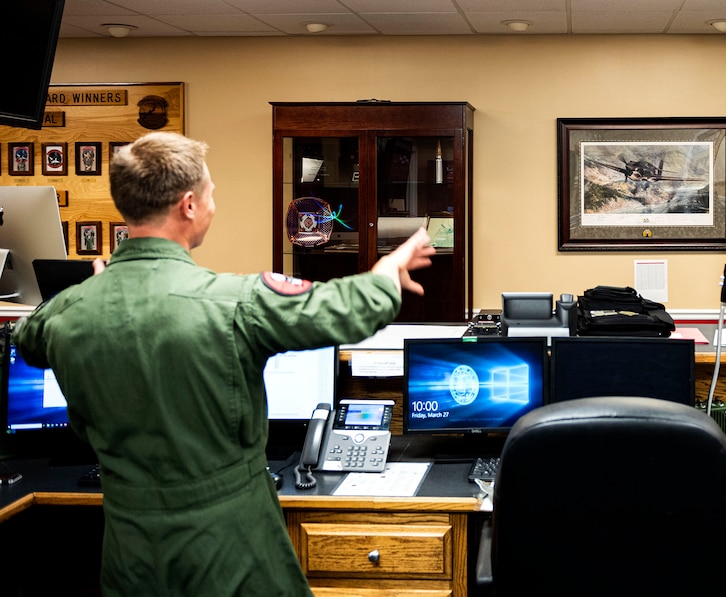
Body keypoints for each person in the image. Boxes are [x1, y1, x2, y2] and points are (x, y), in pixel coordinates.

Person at [13, 132, 436, 596]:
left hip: (131, 558)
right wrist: (384, 274)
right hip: (229, 552)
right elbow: (347, 311)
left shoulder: (72, 309)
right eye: (211, 192)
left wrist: (98, 290)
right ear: (189, 205)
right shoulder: (233, 302)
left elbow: (28, 339)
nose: (214, 202)